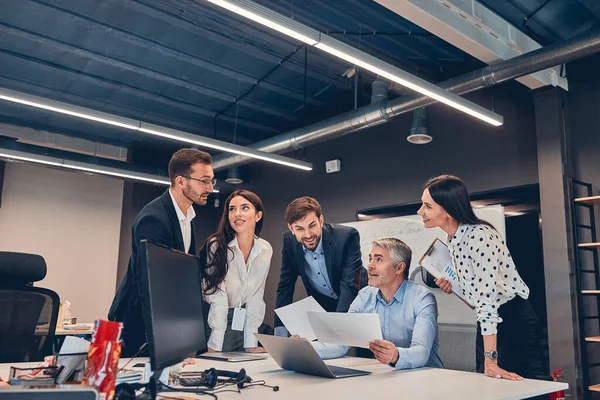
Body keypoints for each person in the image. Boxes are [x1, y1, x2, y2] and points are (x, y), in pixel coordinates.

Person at [417, 174, 540, 381]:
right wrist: (455, 287)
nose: (420, 212)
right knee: (490, 382)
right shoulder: (454, 239)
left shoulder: (480, 236)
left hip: (512, 318)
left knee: (511, 385)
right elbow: (476, 292)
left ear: (447, 209)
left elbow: (487, 299)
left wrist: (490, 360)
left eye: (427, 206)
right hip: (489, 320)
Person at [108, 148, 215, 356]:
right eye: (204, 181)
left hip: (164, 321)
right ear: (181, 181)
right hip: (138, 324)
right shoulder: (154, 219)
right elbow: (149, 284)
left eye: (212, 181)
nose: (210, 188)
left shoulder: (187, 217)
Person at [303, 238, 443, 370]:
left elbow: (422, 352)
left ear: (399, 268)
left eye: (379, 259)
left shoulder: (422, 298)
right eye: (370, 259)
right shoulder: (365, 296)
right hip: (389, 376)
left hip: (426, 377)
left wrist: (396, 355)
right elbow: (341, 341)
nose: (369, 265)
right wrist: (304, 347)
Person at [274, 196, 362, 337]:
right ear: (291, 228)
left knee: (363, 351)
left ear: (321, 220)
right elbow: (285, 286)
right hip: (324, 306)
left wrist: (337, 326)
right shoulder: (289, 242)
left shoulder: (346, 237)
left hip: (358, 303)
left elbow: (349, 285)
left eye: (312, 225)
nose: (308, 234)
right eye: (300, 229)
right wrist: (279, 332)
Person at [202, 190, 273, 353]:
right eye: (232, 209)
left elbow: (256, 297)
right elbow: (216, 297)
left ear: (258, 216)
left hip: (241, 318)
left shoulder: (265, 249)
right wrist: (214, 346)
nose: (237, 214)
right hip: (212, 317)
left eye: (245, 208)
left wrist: (251, 344)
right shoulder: (216, 246)